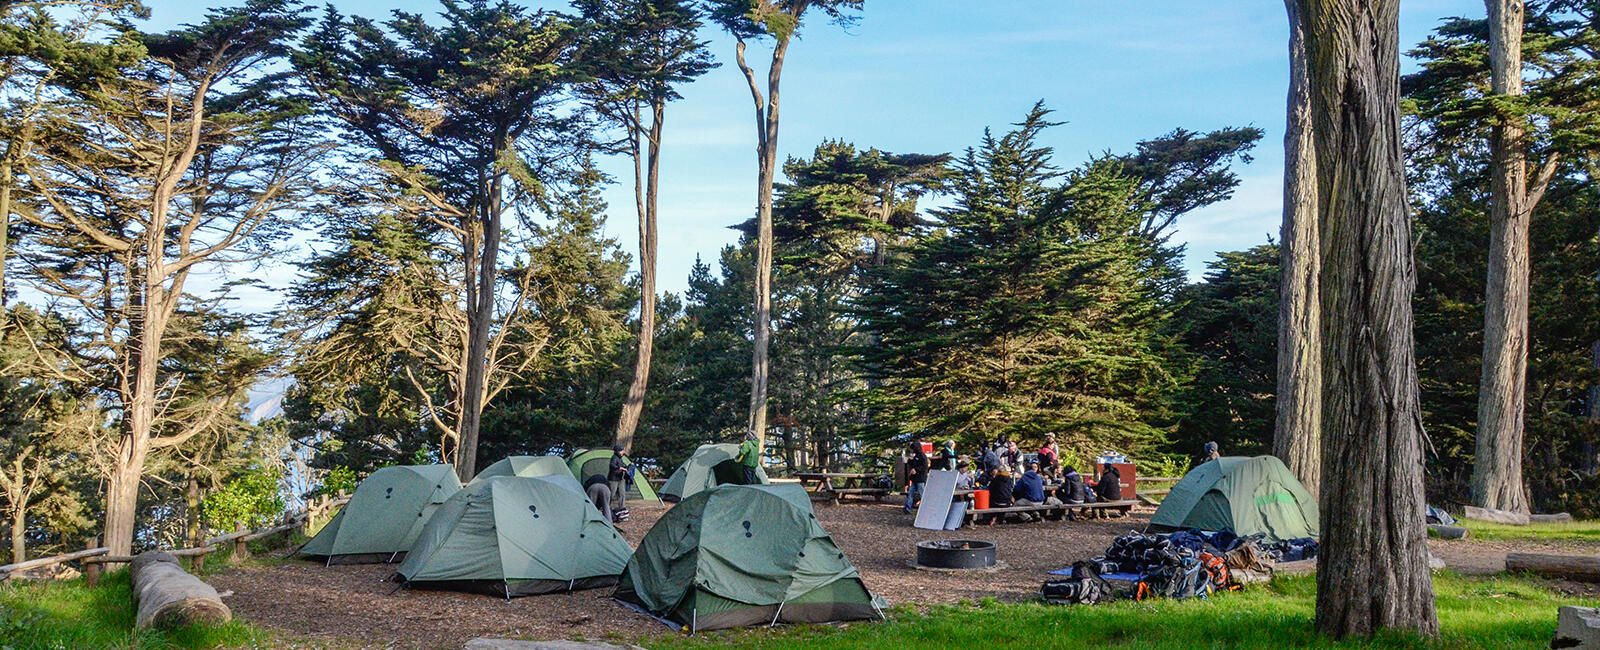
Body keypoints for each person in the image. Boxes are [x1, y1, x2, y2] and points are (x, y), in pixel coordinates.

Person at [903, 442, 929, 514]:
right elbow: (913, 464)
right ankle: (908, 507)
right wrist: (910, 461)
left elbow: (924, 467)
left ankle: (926, 507)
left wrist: (916, 469)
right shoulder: (916, 456)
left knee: (921, 493)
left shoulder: (922, 456)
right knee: (911, 492)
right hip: (915, 478)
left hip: (920, 478)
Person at [608, 444, 633, 510]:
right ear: (617, 451)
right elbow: (612, 466)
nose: (623, 452)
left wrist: (629, 466)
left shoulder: (620, 458)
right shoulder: (614, 458)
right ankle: (606, 506)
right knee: (611, 494)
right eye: (622, 451)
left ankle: (622, 507)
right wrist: (620, 468)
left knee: (622, 493)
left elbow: (623, 466)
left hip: (620, 478)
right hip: (613, 479)